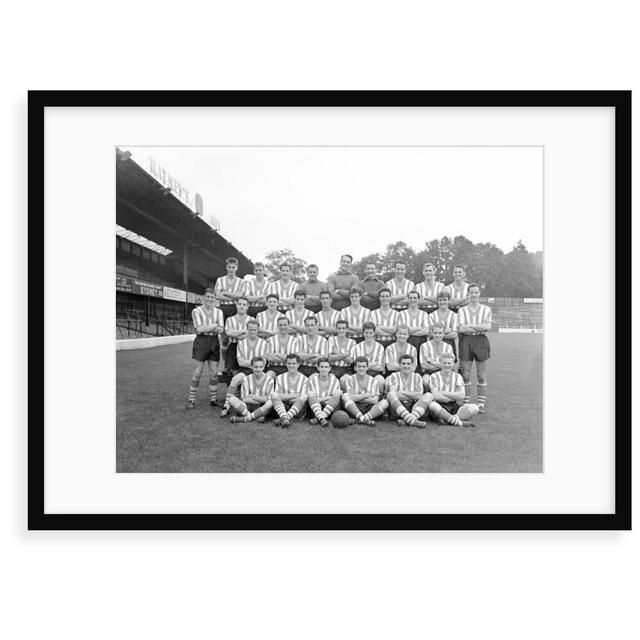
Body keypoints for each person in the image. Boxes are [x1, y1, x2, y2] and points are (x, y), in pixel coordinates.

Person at [220, 319, 270, 418]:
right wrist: (255, 364)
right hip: (246, 371)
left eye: (254, 330)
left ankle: (262, 409)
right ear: (247, 329)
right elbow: (240, 362)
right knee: (235, 379)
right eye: (250, 329)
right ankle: (226, 407)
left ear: (258, 330)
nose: (252, 332)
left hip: (259, 372)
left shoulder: (263, 343)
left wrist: (252, 364)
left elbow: (263, 362)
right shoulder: (241, 343)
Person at [185, 287, 225, 409]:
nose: (209, 299)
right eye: (208, 297)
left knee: (213, 373)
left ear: (215, 299)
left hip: (214, 342)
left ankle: (213, 399)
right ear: (204, 297)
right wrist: (214, 325)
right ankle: (191, 400)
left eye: (212, 297)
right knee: (198, 372)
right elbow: (199, 329)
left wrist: (207, 327)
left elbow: (221, 329)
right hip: (201, 342)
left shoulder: (219, 312)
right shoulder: (196, 311)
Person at [457, 283, 492, 413]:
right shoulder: (462, 310)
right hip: (465, 341)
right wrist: (479, 326)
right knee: (465, 375)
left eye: (476, 292)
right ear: (468, 294)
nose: (474, 294)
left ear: (479, 294)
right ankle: (466, 403)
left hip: (481, 341)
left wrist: (470, 326)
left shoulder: (486, 309)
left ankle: (481, 405)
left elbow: (487, 327)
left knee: (481, 375)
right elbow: (461, 328)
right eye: (471, 292)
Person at [428, 352, 478, 427]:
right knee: (432, 405)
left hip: (454, 405)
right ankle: (459, 422)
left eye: (449, 363)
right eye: (444, 363)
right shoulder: (434, 376)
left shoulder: (458, 377)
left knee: (475, 408)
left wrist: (443, 392)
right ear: (440, 363)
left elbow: (461, 396)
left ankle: (448, 419)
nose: (447, 365)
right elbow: (435, 396)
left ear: (453, 364)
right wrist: (453, 396)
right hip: (440, 404)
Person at [386, 354, 432, 428]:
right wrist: (413, 395)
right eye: (403, 363)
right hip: (397, 408)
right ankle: (412, 420)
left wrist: (401, 392)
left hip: (413, 407)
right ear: (400, 365)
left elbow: (419, 395)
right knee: (390, 394)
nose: (406, 366)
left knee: (429, 395)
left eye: (408, 364)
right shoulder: (394, 375)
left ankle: (407, 419)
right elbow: (394, 394)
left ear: (412, 365)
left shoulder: (417, 376)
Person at [342, 356, 389, 426]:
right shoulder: (350, 379)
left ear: (367, 368)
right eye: (359, 366)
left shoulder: (373, 380)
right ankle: (364, 419)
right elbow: (350, 398)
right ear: (355, 368)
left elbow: (375, 400)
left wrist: (357, 397)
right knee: (345, 396)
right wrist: (365, 395)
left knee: (385, 402)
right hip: (354, 407)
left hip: (369, 408)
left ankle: (361, 419)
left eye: (363, 366)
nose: (361, 369)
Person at [227, 356, 275, 424]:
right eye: (256, 367)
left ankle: (245, 418)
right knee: (231, 399)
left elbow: (267, 399)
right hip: (248, 406)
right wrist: (261, 399)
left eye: (260, 367)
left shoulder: (269, 379)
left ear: (264, 367)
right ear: (251, 367)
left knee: (271, 403)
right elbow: (245, 399)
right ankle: (253, 416)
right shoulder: (246, 379)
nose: (258, 369)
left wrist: (253, 396)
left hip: (262, 406)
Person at [270, 354, 309, 428]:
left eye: (294, 363)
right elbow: (278, 396)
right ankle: (285, 419)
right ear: (286, 364)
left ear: (298, 364)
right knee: (273, 395)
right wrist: (294, 395)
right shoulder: (280, 377)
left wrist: (286, 397)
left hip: (298, 410)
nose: (291, 366)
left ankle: (284, 417)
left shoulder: (304, 379)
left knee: (304, 396)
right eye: (289, 363)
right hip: (283, 407)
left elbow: (302, 398)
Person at [306, 358, 342, 427]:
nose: (324, 369)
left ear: (330, 368)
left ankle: (319, 417)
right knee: (310, 394)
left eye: (326, 367)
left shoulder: (335, 381)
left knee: (338, 393)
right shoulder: (313, 380)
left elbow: (335, 398)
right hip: (316, 407)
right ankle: (322, 418)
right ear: (318, 368)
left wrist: (320, 399)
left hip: (331, 407)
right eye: (322, 367)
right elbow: (312, 399)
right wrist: (328, 397)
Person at [350, 322, 385, 393]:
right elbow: (356, 367)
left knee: (381, 381)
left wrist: (364, 366)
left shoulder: (380, 347)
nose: (368, 335)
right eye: (366, 333)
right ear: (363, 333)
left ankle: (378, 400)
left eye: (370, 332)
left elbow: (381, 367)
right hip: (359, 373)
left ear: (374, 333)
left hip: (374, 373)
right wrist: (374, 363)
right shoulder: (357, 347)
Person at [223, 297, 251, 376]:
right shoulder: (230, 319)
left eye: (244, 304)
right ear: (236, 305)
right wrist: (243, 331)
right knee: (234, 371)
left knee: (246, 371)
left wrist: (235, 333)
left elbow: (249, 335)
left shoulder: (251, 319)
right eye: (240, 304)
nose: (242, 306)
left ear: (248, 306)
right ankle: (235, 387)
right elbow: (228, 333)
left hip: (247, 347)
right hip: (233, 347)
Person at [428, 290, 459, 357]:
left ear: (448, 300)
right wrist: (449, 330)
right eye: (440, 300)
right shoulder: (432, 315)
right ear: (437, 301)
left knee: (447, 365)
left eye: (445, 300)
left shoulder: (454, 315)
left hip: (449, 343)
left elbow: (454, 334)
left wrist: (437, 334)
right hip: (433, 344)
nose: (442, 302)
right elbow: (430, 334)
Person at [326, 319, 356, 387]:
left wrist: (337, 353)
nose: (341, 330)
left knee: (344, 380)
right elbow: (329, 358)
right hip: (333, 368)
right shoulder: (331, 340)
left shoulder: (352, 342)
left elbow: (351, 361)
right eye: (339, 328)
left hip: (347, 369)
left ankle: (343, 396)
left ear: (347, 329)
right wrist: (345, 354)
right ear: (336, 329)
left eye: (343, 328)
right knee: (332, 379)